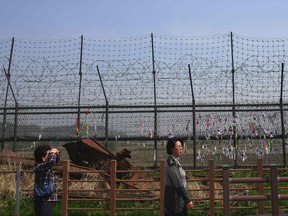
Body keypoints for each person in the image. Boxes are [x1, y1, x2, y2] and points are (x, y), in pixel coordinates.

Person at [164, 137, 193, 216]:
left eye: (181, 146)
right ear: (172, 149)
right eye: (178, 146)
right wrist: (187, 200)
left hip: (180, 201)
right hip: (174, 202)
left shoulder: (176, 162)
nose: (181, 148)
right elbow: (178, 182)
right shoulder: (171, 163)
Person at [33, 144, 60, 216]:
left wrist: (56, 153)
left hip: (48, 199)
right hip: (43, 200)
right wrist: (53, 153)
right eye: (49, 154)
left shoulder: (46, 166)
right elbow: (52, 162)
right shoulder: (39, 167)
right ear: (43, 158)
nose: (51, 156)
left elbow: (55, 161)